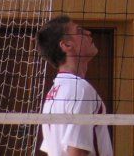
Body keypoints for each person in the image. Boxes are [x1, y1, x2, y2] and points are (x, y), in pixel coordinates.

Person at [36, 15, 113, 156]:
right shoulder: (80, 89)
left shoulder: (54, 92)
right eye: (80, 31)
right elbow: (77, 151)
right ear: (66, 45)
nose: (88, 33)